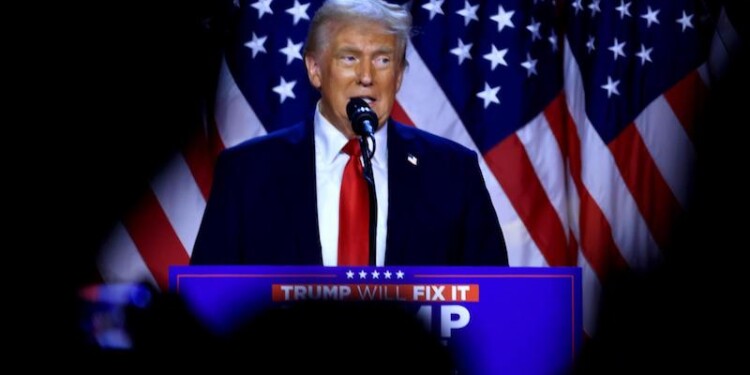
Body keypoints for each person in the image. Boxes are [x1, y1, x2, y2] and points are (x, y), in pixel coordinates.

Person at [190, 0, 508, 266]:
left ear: (398, 76)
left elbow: (495, 299)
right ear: (315, 69)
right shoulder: (247, 171)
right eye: (350, 58)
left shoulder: (452, 172)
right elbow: (208, 297)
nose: (366, 76)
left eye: (383, 60)